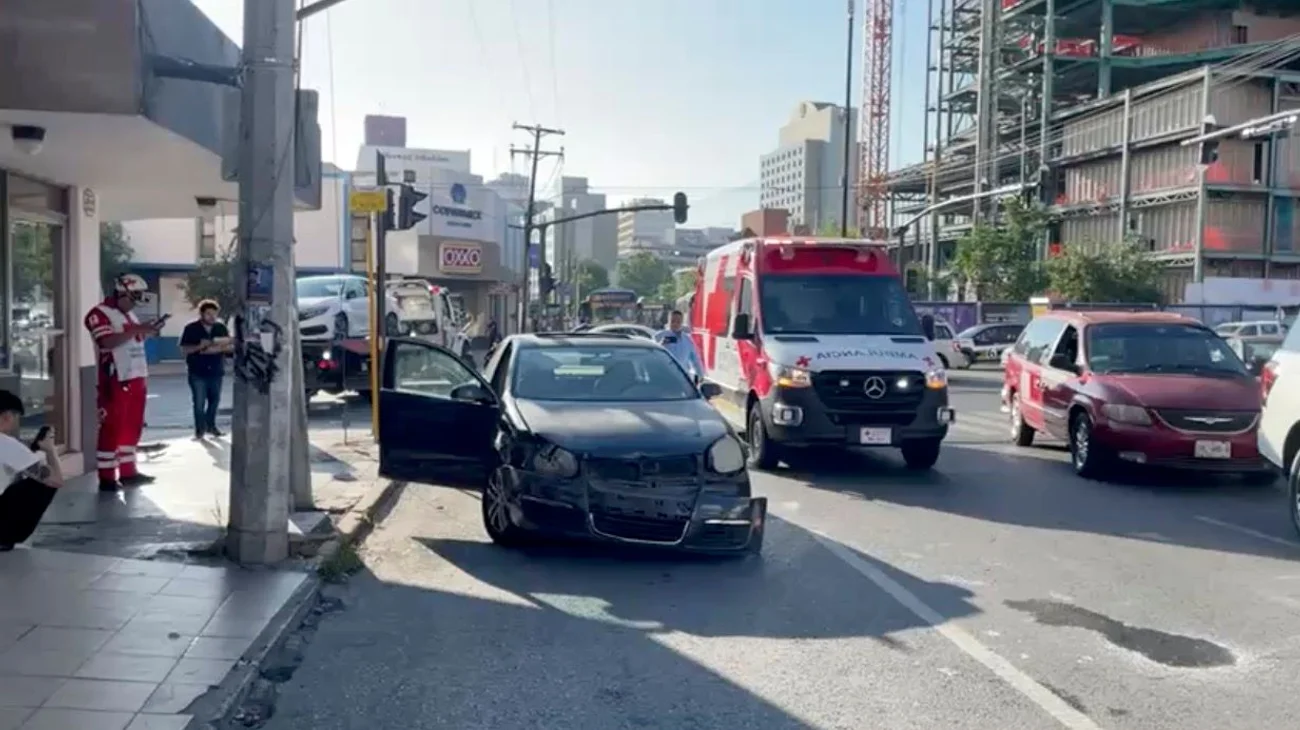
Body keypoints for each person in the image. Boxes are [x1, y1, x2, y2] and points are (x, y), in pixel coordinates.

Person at [84, 274, 161, 492]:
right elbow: (106, 341)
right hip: (114, 378)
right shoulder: (99, 314)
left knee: (132, 426)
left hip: (136, 375)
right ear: (121, 293)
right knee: (112, 426)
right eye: (134, 297)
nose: (136, 302)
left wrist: (144, 331)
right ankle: (107, 477)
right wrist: (138, 330)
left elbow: (131, 340)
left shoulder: (129, 315)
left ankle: (128, 471)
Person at [0, 389, 64, 551]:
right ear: (7, 416)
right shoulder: (6, 444)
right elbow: (55, 480)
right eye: (16, 417)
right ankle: (6, 537)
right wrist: (50, 450)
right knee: (40, 485)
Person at [179, 300, 232, 440]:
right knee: (199, 401)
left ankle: (211, 426)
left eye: (214, 314)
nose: (212, 317)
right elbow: (185, 350)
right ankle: (199, 429)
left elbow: (228, 346)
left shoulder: (220, 328)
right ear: (202, 314)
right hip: (197, 371)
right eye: (208, 314)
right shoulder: (191, 328)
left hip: (216, 370)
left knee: (214, 400)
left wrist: (222, 347)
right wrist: (200, 347)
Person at [654, 309, 703, 382]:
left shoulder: (687, 339)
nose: (675, 324)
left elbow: (695, 359)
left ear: (682, 322)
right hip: (664, 377)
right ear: (668, 321)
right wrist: (661, 345)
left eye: (678, 321)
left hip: (682, 378)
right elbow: (652, 356)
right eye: (673, 321)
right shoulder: (659, 336)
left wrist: (700, 374)